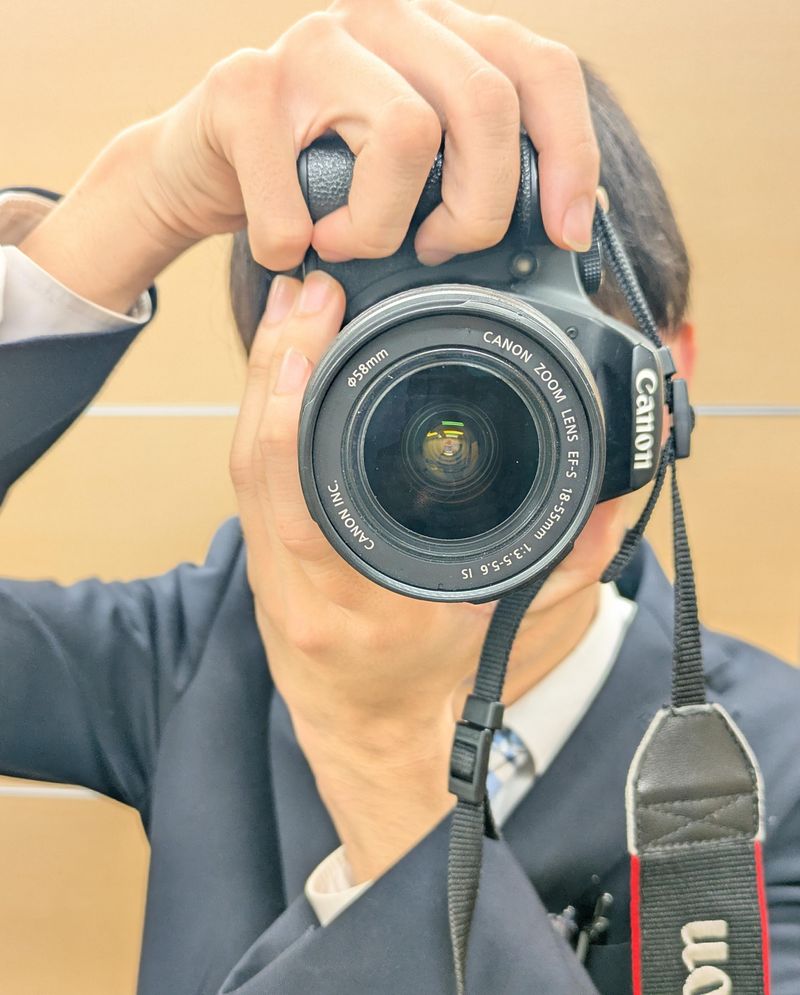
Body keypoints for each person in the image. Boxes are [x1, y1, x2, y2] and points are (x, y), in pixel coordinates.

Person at [1, 1, 798, 992]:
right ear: (285, 407)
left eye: (534, 371)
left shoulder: (772, 764)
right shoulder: (199, 655)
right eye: (391, 382)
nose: (465, 441)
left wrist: (383, 760)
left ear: (662, 394)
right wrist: (140, 201)